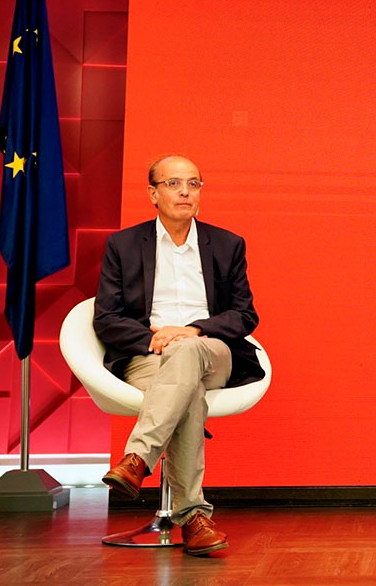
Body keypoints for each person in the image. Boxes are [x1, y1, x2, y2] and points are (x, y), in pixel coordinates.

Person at [93, 155, 262, 556]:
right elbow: (107, 318)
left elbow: (245, 314)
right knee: (188, 396)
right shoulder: (124, 245)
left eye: (193, 184)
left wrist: (193, 331)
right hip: (148, 353)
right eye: (173, 183)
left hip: (212, 350)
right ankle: (194, 519)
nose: (185, 191)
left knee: (188, 353)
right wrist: (155, 338)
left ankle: (137, 458)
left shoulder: (226, 244)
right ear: (153, 193)